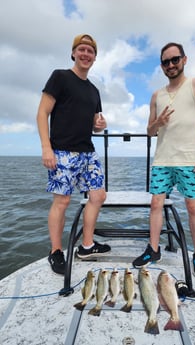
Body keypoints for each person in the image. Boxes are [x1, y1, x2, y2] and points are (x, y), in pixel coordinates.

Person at [132, 42, 195, 279]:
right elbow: (150, 131)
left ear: (184, 60)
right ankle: (154, 249)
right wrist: (157, 123)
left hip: (190, 160)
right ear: (161, 66)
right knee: (156, 204)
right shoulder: (156, 95)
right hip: (162, 160)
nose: (170, 65)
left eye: (175, 59)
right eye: (166, 62)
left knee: (192, 207)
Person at [37, 34, 111, 275]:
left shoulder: (94, 91)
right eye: (82, 49)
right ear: (73, 53)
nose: (86, 54)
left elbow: (93, 124)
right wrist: (46, 148)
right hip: (61, 151)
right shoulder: (59, 77)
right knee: (62, 201)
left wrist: (98, 126)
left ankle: (87, 246)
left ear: (95, 57)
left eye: (90, 51)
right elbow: (42, 113)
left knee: (98, 196)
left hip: (87, 152)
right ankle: (56, 251)